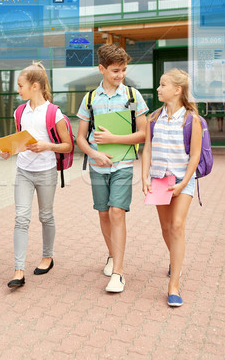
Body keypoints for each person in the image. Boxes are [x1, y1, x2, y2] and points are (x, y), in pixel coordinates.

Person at [76, 44, 148, 293]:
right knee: (104, 213)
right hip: (98, 166)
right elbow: (81, 139)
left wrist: (114, 139)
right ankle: (111, 255)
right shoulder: (90, 99)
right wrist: (96, 153)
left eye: (123, 70)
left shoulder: (132, 96)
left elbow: (142, 134)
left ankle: (118, 272)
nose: (120, 75)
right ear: (102, 69)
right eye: (115, 70)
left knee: (117, 212)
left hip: (123, 165)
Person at [0, 62, 73, 288]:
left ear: (34, 86)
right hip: (23, 171)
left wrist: (46, 145)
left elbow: (68, 146)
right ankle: (18, 270)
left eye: (20, 86)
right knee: (21, 218)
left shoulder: (54, 113)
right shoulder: (19, 111)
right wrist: (8, 150)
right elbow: (20, 141)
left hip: (46, 172)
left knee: (46, 216)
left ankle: (47, 256)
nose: (18, 90)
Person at [141, 68, 202, 307]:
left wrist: (184, 183)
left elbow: (195, 154)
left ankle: (174, 284)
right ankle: (174, 259)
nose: (158, 88)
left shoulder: (191, 119)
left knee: (177, 225)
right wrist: (145, 176)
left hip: (182, 180)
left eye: (163, 85)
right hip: (158, 180)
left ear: (177, 90)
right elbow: (147, 148)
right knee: (166, 228)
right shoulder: (153, 118)